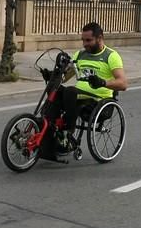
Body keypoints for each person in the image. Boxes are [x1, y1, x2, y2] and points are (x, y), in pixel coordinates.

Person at [49, 22, 128, 151]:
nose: (85, 44)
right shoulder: (80, 55)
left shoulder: (111, 56)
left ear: (100, 38)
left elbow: (123, 84)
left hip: (97, 100)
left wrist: (103, 82)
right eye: (83, 40)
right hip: (77, 97)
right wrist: (53, 76)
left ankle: (68, 132)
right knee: (55, 89)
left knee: (70, 91)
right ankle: (48, 130)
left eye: (88, 40)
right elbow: (66, 77)